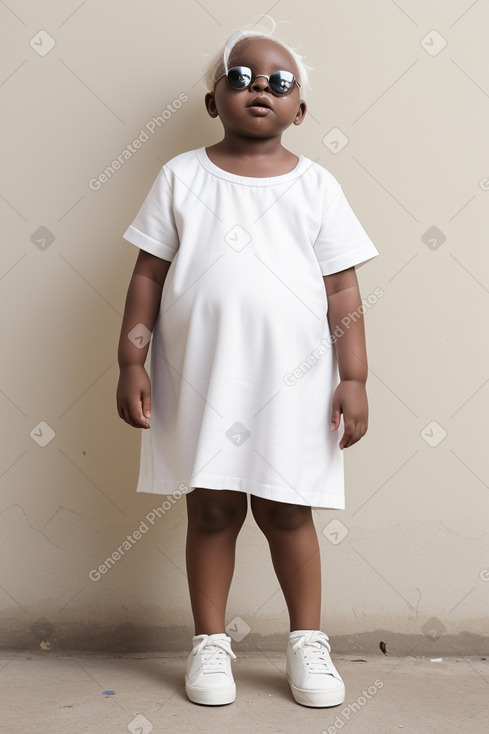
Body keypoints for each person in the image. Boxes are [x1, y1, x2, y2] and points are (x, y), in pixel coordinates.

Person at [116, 24, 379, 708]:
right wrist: (131, 359)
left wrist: (353, 376)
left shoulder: (317, 186)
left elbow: (342, 288)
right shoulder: (180, 177)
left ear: (299, 111)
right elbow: (148, 276)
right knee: (209, 507)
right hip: (203, 377)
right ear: (213, 99)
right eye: (241, 76)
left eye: (278, 82)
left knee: (288, 510)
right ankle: (209, 644)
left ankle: (306, 644)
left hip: (292, 383)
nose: (259, 87)